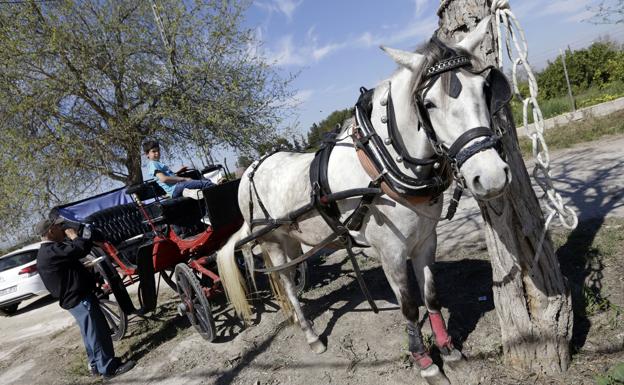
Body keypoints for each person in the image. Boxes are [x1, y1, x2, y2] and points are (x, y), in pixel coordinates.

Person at [35, 216, 135, 379]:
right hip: (78, 298)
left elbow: (66, 268)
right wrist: (75, 236)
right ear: (51, 231)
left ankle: (95, 366)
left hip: (73, 299)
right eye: (59, 228)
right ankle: (108, 369)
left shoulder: (48, 252)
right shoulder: (51, 250)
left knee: (90, 333)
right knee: (97, 333)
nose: (63, 230)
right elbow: (80, 249)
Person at [143, 140, 214, 198]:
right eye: (154, 151)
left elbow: (167, 176)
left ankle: (188, 192)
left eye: (158, 150)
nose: (157, 153)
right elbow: (163, 179)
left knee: (204, 181)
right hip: (175, 188)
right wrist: (184, 179)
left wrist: (178, 172)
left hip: (176, 188)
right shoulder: (153, 164)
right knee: (207, 184)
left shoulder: (156, 164)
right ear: (147, 154)